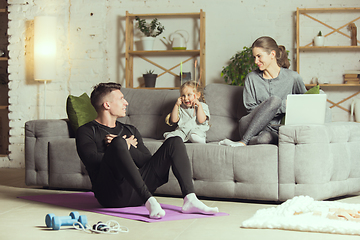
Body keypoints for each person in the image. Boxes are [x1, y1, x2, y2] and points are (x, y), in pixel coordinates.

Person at [75, 82, 218, 219]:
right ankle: (149, 201)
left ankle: (190, 199)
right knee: (119, 142)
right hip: (111, 195)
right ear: (107, 105)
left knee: (175, 141)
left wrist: (129, 148)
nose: (126, 102)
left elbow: (146, 161)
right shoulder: (86, 131)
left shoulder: (130, 130)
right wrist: (121, 146)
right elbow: (91, 160)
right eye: (121, 99)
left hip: (136, 191)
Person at [219, 36, 307, 147]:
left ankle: (248, 141)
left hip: (274, 130)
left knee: (265, 139)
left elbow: (305, 102)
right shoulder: (251, 78)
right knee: (275, 100)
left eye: (259, 56)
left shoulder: (293, 77)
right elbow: (250, 109)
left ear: (272, 55)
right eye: (254, 57)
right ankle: (243, 141)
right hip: (249, 125)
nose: (256, 61)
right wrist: (282, 106)